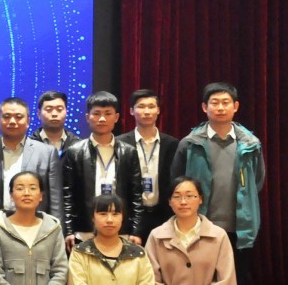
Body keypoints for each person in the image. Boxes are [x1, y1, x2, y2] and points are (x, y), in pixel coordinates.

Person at [170, 81, 265, 285]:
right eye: (214, 102)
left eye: (226, 102)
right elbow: (177, 181)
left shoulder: (250, 143)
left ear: (235, 107)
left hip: (238, 230)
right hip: (199, 230)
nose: (220, 107)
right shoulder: (191, 143)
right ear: (204, 107)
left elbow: (257, 182)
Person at [61, 91, 147, 249]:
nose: (102, 119)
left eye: (108, 113)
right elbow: (68, 195)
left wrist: (136, 231)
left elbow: (136, 195)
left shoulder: (128, 152)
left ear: (116, 117)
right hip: (85, 229)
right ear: (87, 117)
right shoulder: (75, 152)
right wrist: (68, 230)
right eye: (96, 113)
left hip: (120, 229)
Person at [0, 97, 62, 222]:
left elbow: (55, 199)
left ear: (28, 121)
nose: (12, 121)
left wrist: (57, 227)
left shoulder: (47, 153)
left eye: (18, 117)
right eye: (6, 117)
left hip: (36, 224)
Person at [116, 89, 180, 240]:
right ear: (131, 111)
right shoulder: (120, 143)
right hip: (131, 215)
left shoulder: (172, 144)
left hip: (163, 215)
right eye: (141, 106)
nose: (146, 111)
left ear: (158, 110)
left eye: (151, 107)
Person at [33, 91, 82, 156]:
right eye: (49, 109)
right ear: (39, 114)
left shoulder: (78, 145)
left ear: (66, 112)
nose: (54, 114)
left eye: (59, 109)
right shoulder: (29, 145)